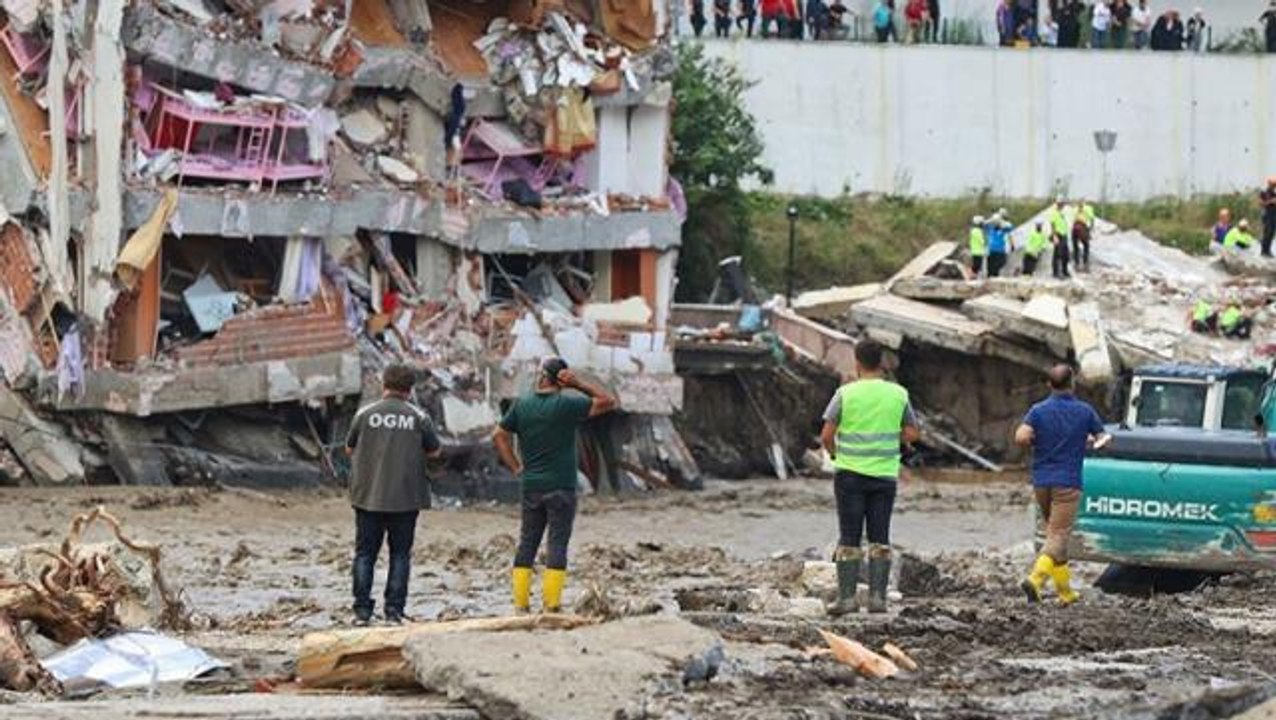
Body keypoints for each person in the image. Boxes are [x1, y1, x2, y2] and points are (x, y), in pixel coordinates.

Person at [494, 357, 618, 614]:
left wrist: (516, 467)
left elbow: (499, 436)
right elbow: (608, 401)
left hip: (531, 486)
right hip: (561, 485)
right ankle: (551, 606)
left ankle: (520, 605)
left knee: (527, 542)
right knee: (557, 544)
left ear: (541, 376)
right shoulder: (567, 405)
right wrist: (580, 384)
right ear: (562, 378)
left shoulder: (521, 405)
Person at [820, 339, 920, 616]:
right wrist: (893, 441)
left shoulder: (845, 393)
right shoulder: (898, 394)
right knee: (880, 537)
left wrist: (838, 455)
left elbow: (827, 436)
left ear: (857, 362)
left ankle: (847, 599)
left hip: (850, 474)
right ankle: (878, 599)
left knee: (850, 537)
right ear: (882, 363)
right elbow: (913, 433)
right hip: (884, 475)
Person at [344, 364, 444, 625]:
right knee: (400, 554)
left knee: (365, 553)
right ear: (410, 389)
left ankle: (362, 612)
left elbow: (349, 448)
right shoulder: (419, 417)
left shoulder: (364, 414)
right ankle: (394, 612)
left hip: (368, 496)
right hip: (406, 497)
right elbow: (435, 452)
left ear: (383, 384)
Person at [1015, 365, 1109, 606]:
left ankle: (1065, 593)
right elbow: (1102, 439)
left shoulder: (1038, 411)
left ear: (1049, 385)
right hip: (1067, 482)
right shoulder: (1085, 412)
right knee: (1058, 535)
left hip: (1042, 481)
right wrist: (1090, 442)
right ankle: (1035, 579)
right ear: (1073, 383)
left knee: (1054, 536)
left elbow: (1021, 437)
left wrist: (1038, 440)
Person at [986, 212, 1011, 277]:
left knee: (1000, 264)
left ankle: (995, 275)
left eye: (997, 223)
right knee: (991, 268)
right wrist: (991, 219)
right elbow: (984, 224)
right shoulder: (990, 229)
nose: (995, 224)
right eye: (995, 223)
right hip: (992, 251)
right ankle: (991, 277)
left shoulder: (1003, 230)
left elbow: (1010, 227)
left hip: (1000, 251)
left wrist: (1001, 221)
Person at [1260, 177, 1276, 257]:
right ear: (1269, 184)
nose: (1274, 186)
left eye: (1275, 185)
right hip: (1267, 214)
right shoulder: (1264, 192)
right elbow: (1261, 204)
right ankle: (1263, 251)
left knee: (1272, 233)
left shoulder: (1274, 193)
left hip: (1273, 215)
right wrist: (1271, 201)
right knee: (1267, 232)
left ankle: (1268, 250)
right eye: (1273, 184)